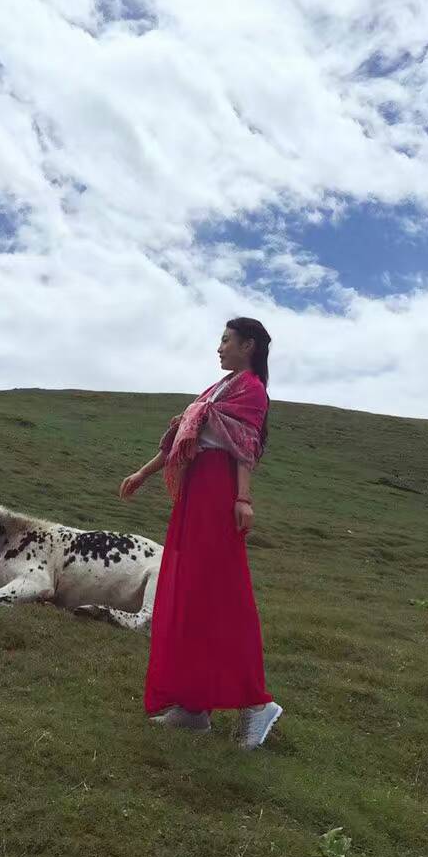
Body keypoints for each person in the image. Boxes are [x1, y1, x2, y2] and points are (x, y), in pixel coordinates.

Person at [119, 317, 283, 750]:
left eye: (227, 340)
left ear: (248, 346)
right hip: (196, 491)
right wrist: (143, 473)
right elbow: (180, 439)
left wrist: (243, 499)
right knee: (189, 591)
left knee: (219, 592)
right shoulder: (217, 389)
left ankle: (256, 703)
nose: (219, 347)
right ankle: (194, 706)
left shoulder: (251, 390)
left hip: (218, 491)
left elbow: (244, 446)